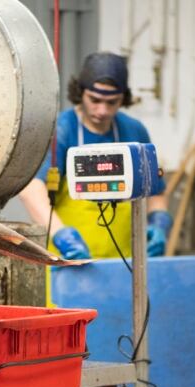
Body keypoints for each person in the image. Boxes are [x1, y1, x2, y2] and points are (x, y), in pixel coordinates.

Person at [19, 51, 172, 260]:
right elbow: (31, 189)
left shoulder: (134, 131)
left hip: (125, 262)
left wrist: (159, 222)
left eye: (112, 102)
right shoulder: (62, 131)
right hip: (71, 260)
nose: (102, 110)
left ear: (123, 99)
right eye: (95, 100)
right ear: (81, 92)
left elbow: (155, 191)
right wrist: (62, 236)